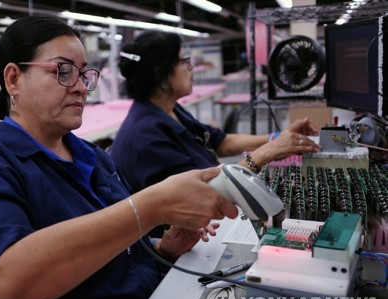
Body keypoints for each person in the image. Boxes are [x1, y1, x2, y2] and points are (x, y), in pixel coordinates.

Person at [0, 16, 238, 299]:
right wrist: (151, 207)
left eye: (84, 74)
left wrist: (163, 250)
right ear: (14, 79)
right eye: (64, 71)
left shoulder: (93, 157)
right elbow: (7, 282)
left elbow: (115, 255)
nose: (81, 87)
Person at [110, 30, 322, 229]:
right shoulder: (147, 136)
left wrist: (278, 137)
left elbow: (221, 142)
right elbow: (203, 193)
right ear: (162, 76)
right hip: (186, 232)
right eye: (184, 61)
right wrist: (266, 153)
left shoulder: (169, 110)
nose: (191, 67)